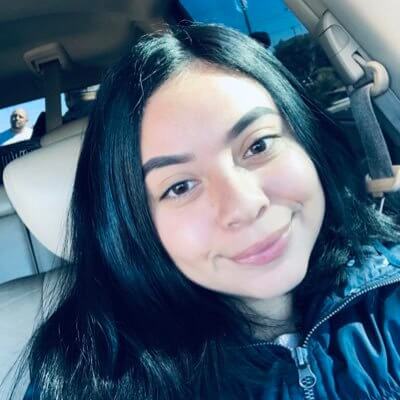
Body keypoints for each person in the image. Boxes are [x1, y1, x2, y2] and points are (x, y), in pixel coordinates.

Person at [11, 24, 400, 399]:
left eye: (259, 145)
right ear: (134, 225)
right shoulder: (90, 380)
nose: (245, 206)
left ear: (306, 139)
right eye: (179, 187)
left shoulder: (389, 289)